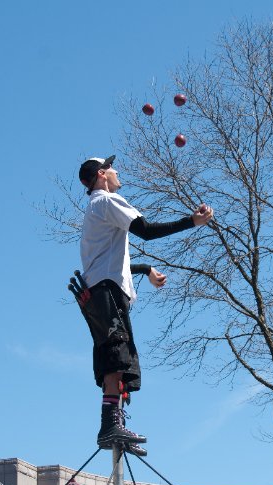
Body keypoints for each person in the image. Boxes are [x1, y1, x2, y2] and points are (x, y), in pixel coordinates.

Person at [77, 155, 213, 455]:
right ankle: (110, 425)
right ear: (101, 174)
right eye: (111, 167)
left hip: (98, 294)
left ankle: (114, 425)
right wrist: (193, 221)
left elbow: (114, 262)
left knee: (115, 357)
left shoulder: (94, 209)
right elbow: (147, 231)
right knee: (117, 356)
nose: (116, 171)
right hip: (107, 293)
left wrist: (147, 269)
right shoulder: (109, 202)